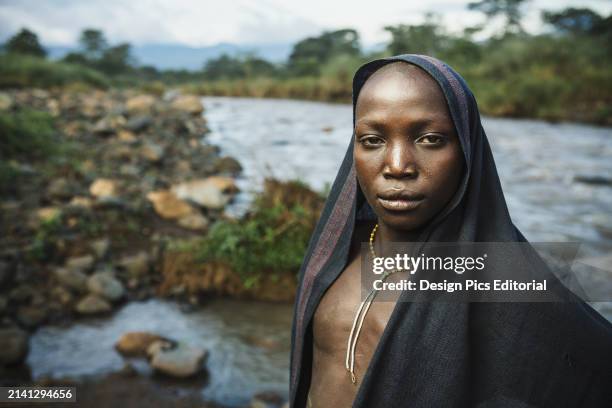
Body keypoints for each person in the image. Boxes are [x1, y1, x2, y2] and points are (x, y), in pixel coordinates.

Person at [288, 54, 612, 408]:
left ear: (467, 150)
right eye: (373, 140)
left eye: (429, 139)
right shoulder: (335, 252)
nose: (397, 166)